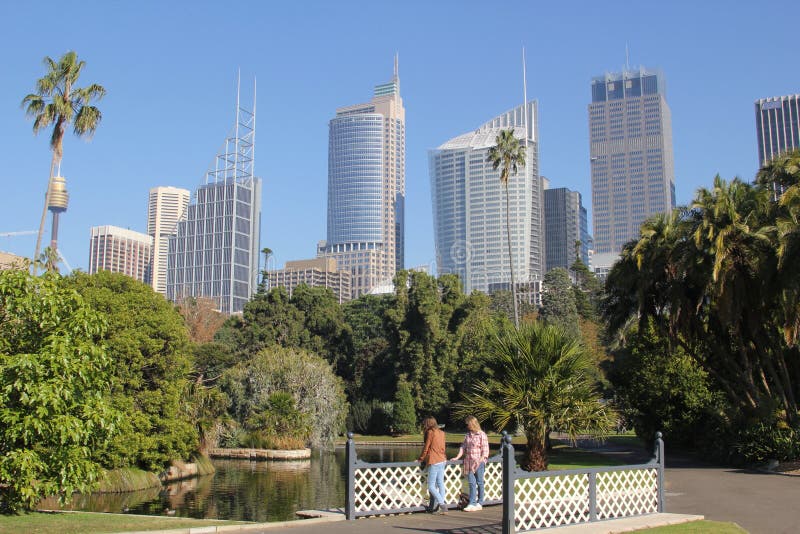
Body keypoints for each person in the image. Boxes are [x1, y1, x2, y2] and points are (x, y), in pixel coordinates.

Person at [450, 415, 489, 512]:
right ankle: (472, 502)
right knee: (471, 482)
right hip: (469, 462)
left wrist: (479, 461)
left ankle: (480, 502)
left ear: (472, 424)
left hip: (479, 462)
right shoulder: (467, 435)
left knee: (480, 482)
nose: (467, 426)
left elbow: (485, 452)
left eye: (468, 424)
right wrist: (457, 457)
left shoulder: (482, 435)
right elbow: (463, 447)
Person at [417, 416, 447, 514]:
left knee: (431, 486)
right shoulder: (442, 433)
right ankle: (439, 506)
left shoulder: (431, 432)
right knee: (440, 483)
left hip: (434, 460)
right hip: (442, 459)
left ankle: (442, 504)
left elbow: (426, 447)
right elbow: (443, 447)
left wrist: (420, 459)